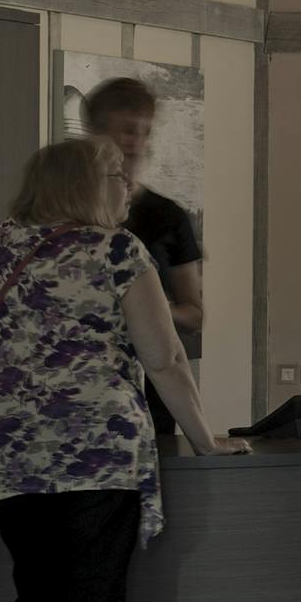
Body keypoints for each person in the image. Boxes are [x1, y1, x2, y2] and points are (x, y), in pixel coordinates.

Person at [0, 135, 238, 602]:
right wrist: (205, 441)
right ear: (82, 184)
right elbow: (165, 359)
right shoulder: (117, 251)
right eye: (116, 175)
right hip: (97, 458)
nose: (127, 187)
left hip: (13, 457)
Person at [81, 76, 203, 436]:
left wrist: (143, 312)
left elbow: (193, 314)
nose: (133, 142)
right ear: (94, 134)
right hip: (80, 396)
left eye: (142, 132)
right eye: (124, 130)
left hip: (149, 399)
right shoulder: (64, 219)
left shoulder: (168, 217)